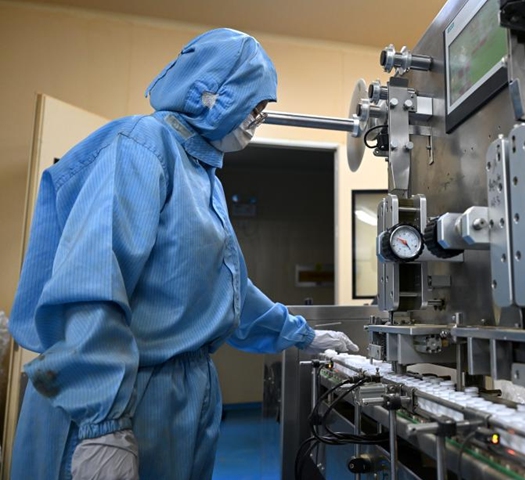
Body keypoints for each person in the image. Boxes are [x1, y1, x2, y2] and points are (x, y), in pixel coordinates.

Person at [9, 28, 357, 480]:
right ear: (212, 92)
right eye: (254, 104)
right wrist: (104, 426)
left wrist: (300, 335)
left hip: (181, 397)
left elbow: (224, 289)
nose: (258, 119)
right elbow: (93, 279)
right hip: (115, 397)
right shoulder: (141, 144)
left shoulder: (203, 177)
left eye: (263, 110)